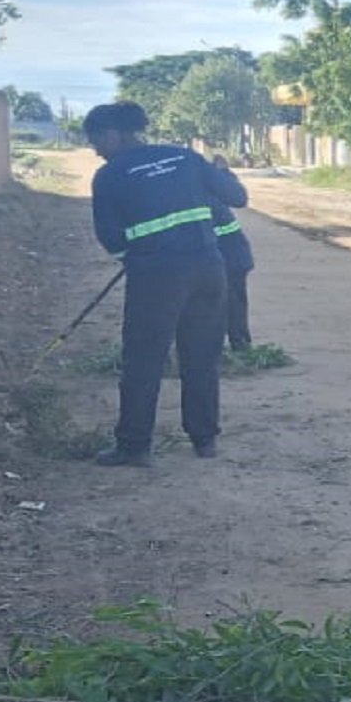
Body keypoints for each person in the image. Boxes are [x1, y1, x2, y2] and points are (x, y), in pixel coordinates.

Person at [82, 101, 246, 465]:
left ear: (114, 134)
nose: (95, 150)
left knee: (143, 359)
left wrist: (140, 260)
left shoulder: (109, 177)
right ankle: (204, 440)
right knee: (202, 356)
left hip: (155, 277)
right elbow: (238, 198)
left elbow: (110, 237)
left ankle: (134, 446)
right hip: (208, 269)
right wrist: (224, 173)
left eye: (96, 141)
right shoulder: (185, 158)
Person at [207, 154, 256, 354]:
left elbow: (237, 196)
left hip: (229, 253)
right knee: (228, 301)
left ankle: (237, 346)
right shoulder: (208, 184)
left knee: (230, 301)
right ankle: (237, 346)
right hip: (228, 253)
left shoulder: (194, 190)